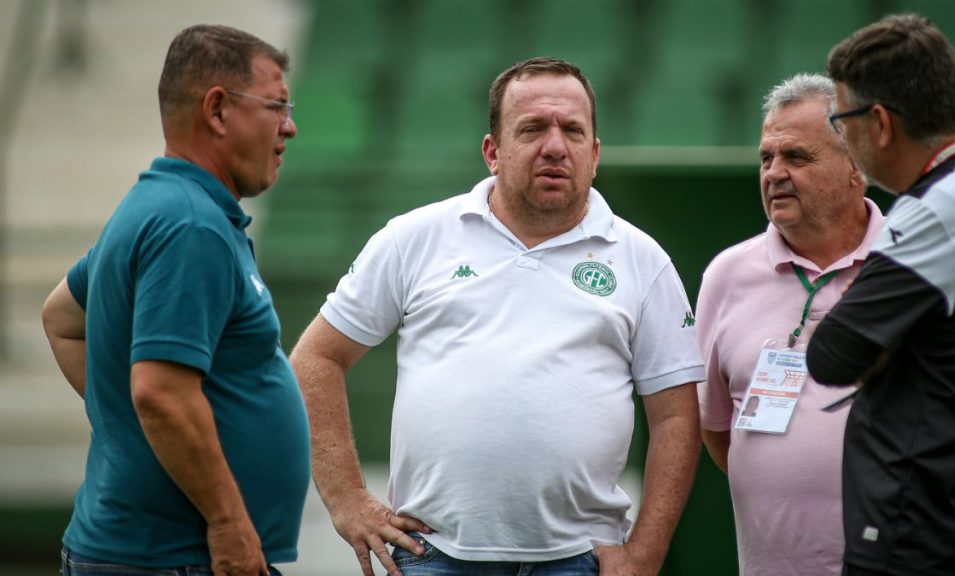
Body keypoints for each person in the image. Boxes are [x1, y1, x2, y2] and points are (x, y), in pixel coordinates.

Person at [289, 56, 705, 576]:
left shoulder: (644, 261)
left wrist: (645, 553)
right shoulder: (413, 238)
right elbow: (315, 358)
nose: (555, 146)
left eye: (573, 131)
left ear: (594, 154)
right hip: (432, 556)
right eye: (532, 129)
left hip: (580, 562)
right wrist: (347, 498)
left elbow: (676, 416)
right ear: (493, 151)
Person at [40, 24, 309, 576]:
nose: (290, 127)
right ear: (216, 111)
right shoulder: (190, 225)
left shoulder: (161, 204)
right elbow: (161, 394)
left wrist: (131, 430)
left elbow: (62, 318)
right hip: (178, 557)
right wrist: (229, 523)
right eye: (276, 106)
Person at [807, 13, 955, 576]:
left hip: (919, 531)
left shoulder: (940, 205)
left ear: (878, 123)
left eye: (841, 119)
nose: (844, 138)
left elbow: (831, 354)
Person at [696, 73, 884, 576]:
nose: (774, 173)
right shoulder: (727, 275)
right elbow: (718, 429)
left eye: (796, 157)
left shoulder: (913, 265)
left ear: (855, 166)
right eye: (766, 158)